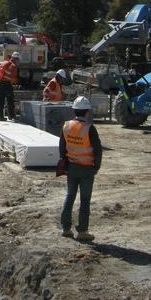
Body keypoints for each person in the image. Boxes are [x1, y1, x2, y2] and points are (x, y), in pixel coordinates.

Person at [59, 96, 103, 242]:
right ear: (87, 112)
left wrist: (65, 165)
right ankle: (82, 231)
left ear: (75, 110)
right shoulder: (89, 128)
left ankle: (66, 228)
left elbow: (62, 148)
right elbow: (98, 150)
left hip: (71, 167)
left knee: (69, 196)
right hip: (86, 169)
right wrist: (96, 167)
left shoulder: (66, 126)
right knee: (84, 200)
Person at [0, 51, 20, 121]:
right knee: (10, 99)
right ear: (16, 59)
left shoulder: (4, 62)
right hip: (6, 84)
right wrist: (15, 81)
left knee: (0, 100)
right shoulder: (13, 66)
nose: (18, 61)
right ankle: (11, 115)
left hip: (0, 83)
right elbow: (13, 78)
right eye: (18, 59)